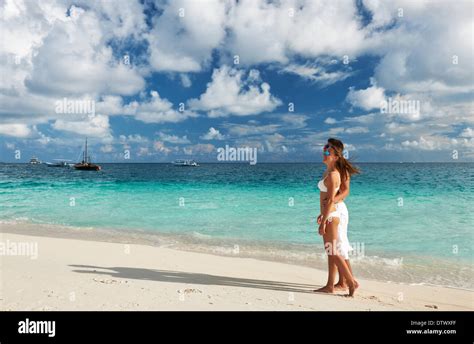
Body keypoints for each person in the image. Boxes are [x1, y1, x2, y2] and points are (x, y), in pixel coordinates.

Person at [314, 138, 360, 296]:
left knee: (335, 249)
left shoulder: (335, 173)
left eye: (328, 151)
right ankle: (333, 284)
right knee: (333, 249)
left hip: (334, 212)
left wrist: (325, 216)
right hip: (330, 211)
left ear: (336, 155)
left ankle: (349, 281)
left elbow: (341, 193)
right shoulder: (330, 171)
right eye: (324, 150)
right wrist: (323, 213)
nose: (324, 153)